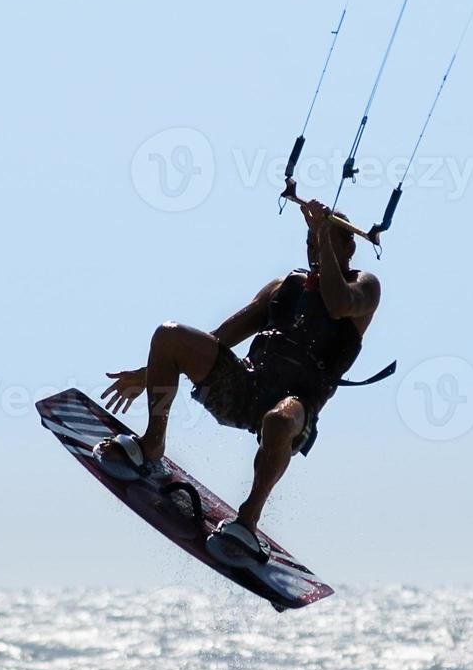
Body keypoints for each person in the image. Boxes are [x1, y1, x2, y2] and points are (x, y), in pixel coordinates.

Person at [93, 198, 381, 565]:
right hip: (247, 387)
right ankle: (152, 444)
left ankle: (248, 521)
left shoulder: (365, 287)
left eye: (323, 244)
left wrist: (324, 235)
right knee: (169, 337)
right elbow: (221, 337)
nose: (314, 252)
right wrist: (148, 373)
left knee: (277, 422)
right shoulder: (285, 286)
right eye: (309, 243)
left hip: (296, 405)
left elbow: (338, 303)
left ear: (349, 247)